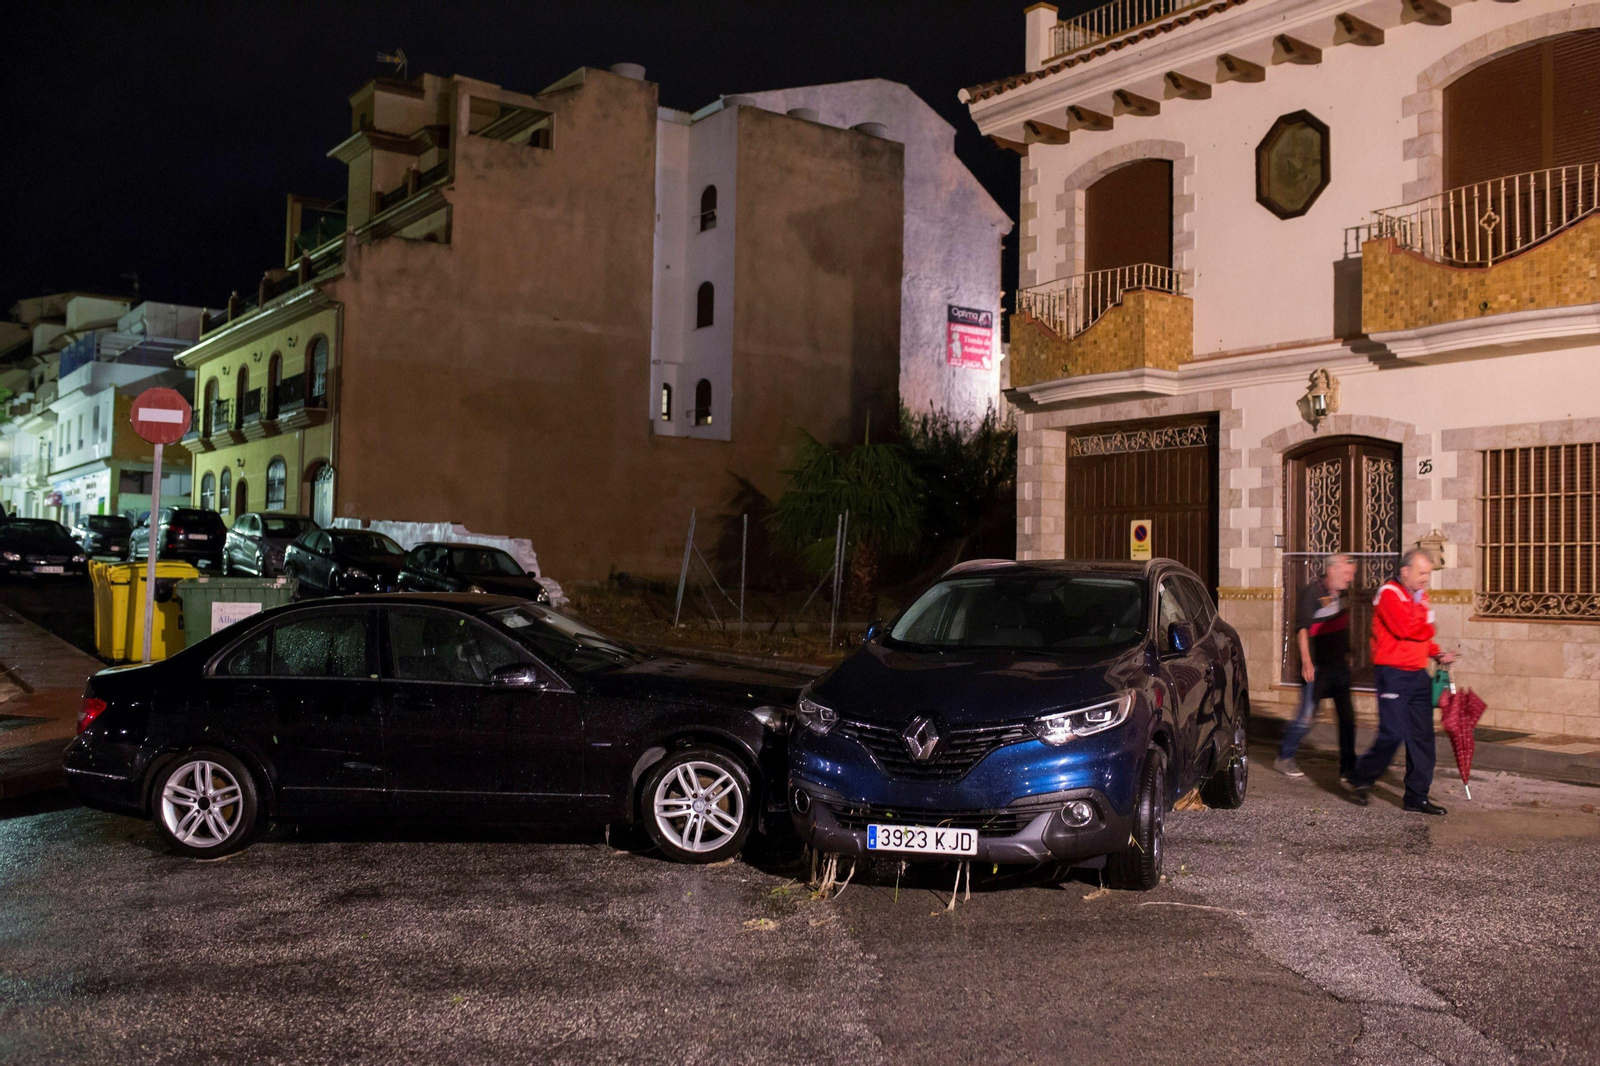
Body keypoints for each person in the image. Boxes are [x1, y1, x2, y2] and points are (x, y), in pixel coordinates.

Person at [1346, 548, 1456, 814]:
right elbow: (1405, 629)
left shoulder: (1421, 596)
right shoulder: (1389, 594)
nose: (1425, 579)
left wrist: (1437, 652)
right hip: (1392, 673)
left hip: (1418, 674)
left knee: (1422, 737)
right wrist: (1430, 628)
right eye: (1421, 573)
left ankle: (1417, 797)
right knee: (1393, 733)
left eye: (1428, 574)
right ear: (1405, 571)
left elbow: (1422, 637)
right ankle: (1360, 776)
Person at [1275, 553, 1356, 779]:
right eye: (1346, 573)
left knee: (1347, 718)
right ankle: (1284, 757)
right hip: (1318, 668)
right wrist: (1306, 661)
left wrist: (1347, 650)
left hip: (1339, 667)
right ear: (1332, 570)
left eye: (1351, 574)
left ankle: (1348, 769)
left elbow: (1340, 624)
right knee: (1306, 716)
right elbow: (1302, 628)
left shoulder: (1343, 594)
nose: (1350, 578)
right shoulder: (1312, 592)